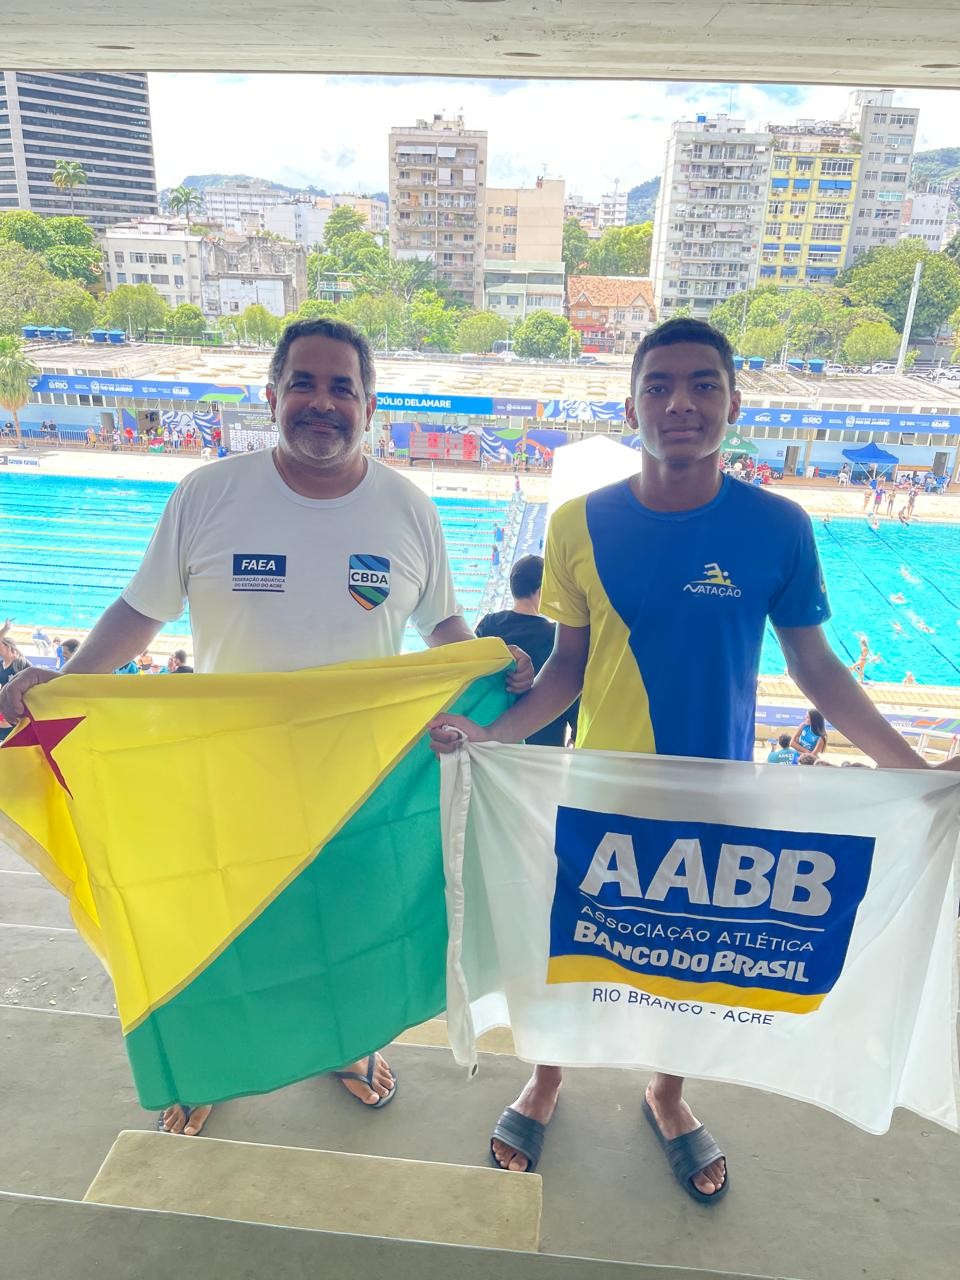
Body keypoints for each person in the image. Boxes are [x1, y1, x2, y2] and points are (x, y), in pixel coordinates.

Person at [429, 316, 958, 1202]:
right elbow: (566, 669)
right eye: (660, 385)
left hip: (716, 792)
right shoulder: (578, 524)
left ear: (734, 403)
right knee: (573, 949)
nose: (681, 403)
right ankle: (548, 1077)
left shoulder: (778, 525)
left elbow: (815, 667)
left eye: (703, 384)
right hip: (601, 789)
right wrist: (493, 737)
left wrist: (910, 768)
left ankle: (667, 1094)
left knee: (692, 961)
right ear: (632, 402)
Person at [1, 317, 534, 1141]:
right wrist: (65, 687)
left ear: (369, 403)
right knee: (210, 923)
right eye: (304, 384)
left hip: (356, 780)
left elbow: (443, 629)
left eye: (341, 388)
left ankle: (347, 1048)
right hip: (230, 771)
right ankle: (206, 1061)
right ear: (273, 395)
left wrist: (497, 672)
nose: (322, 403)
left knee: (352, 926)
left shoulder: (407, 508)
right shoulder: (208, 494)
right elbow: (141, 613)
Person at [475, 555, 578, 748]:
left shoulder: (488, 625)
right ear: (541, 591)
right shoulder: (557, 636)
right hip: (541, 751)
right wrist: (577, 733)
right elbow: (572, 687)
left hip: (492, 743)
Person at [0, 635, 30, 741]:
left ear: (9, 647)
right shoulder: (1, 664)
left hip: (17, 705)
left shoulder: (21, 664)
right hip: (4, 704)